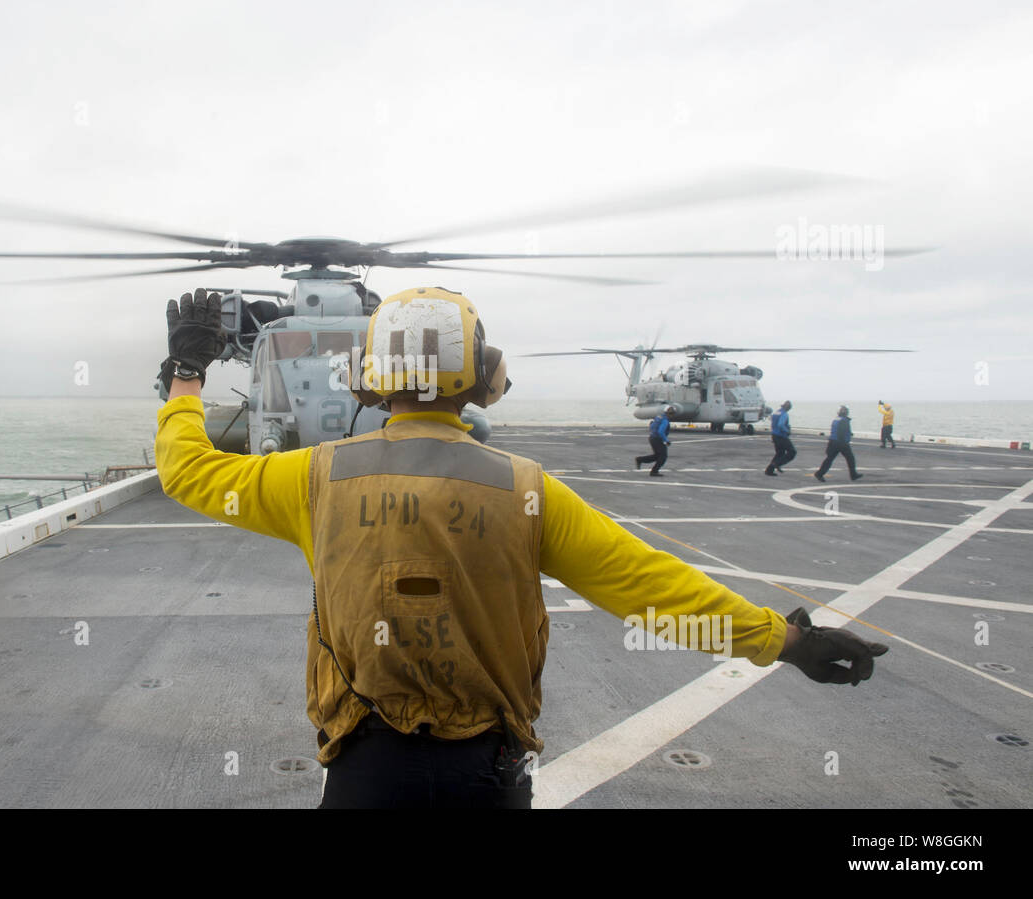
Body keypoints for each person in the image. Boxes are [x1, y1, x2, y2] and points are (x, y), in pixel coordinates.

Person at [155, 287, 888, 809]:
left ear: (371, 379)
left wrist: (186, 376)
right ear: (482, 376)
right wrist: (786, 641)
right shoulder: (528, 490)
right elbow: (652, 589)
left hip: (363, 766)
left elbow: (189, 471)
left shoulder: (316, 477)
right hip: (487, 771)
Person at [815, 405, 862, 482]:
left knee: (829, 459)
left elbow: (836, 430)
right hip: (840, 442)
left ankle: (819, 473)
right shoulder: (844, 420)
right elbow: (841, 432)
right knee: (850, 458)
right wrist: (845, 442)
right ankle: (853, 475)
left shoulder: (836, 419)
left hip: (833, 442)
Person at [635, 406, 672, 477]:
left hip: (652, 438)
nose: (671, 415)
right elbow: (661, 431)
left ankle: (640, 459)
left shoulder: (658, 417)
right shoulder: (665, 420)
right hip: (657, 439)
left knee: (657, 456)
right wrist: (666, 441)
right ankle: (654, 471)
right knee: (663, 457)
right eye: (671, 413)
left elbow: (651, 426)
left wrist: (653, 434)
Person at [764, 400, 796, 476]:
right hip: (781, 436)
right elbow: (781, 424)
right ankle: (777, 464)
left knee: (780, 453)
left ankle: (769, 470)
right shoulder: (784, 414)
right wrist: (787, 431)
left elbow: (772, 423)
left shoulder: (776, 412)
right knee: (792, 452)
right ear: (788, 408)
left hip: (774, 435)